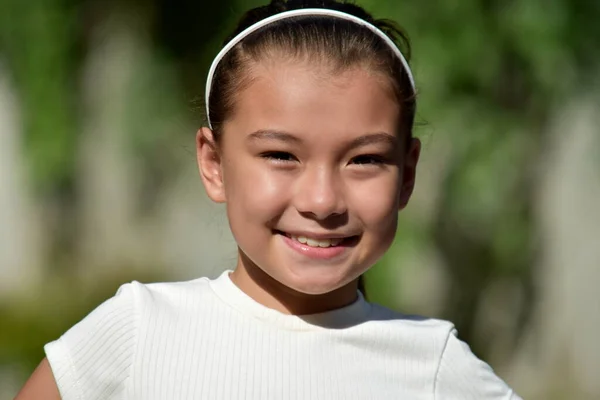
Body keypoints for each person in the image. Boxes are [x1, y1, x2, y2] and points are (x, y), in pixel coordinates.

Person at [16, 0, 522, 399]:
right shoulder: (137, 332)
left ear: (407, 174)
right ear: (214, 164)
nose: (323, 201)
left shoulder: (434, 365)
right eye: (281, 155)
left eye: (364, 160)